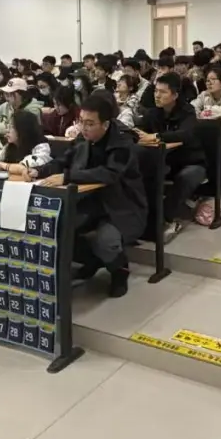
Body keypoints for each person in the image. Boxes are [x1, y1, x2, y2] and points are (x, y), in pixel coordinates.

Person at [33, 94, 145, 297]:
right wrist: (38, 171)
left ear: (106, 124)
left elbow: (109, 173)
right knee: (59, 228)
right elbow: (63, 160)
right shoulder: (82, 139)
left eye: (90, 123)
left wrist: (67, 177)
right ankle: (93, 261)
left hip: (120, 206)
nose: (84, 128)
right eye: (81, 121)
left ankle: (120, 270)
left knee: (105, 239)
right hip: (88, 202)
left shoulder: (123, 142)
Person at [137, 72, 207, 240]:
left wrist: (156, 136)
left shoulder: (187, 111)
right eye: (156, 91)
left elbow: (185, 134)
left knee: (185, 178)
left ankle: (165, 220)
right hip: (164, 160)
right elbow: (140, 132)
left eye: (163, 92)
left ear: (175, 95)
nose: (157, 95)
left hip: (191, 162)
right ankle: (146, 220)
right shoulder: (153, 113)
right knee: (145, 175)